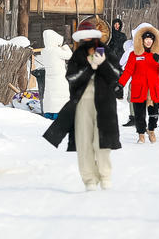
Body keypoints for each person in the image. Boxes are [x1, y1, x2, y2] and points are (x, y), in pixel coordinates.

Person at [42, 18, 123, 190]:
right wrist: (89, 67)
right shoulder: (78, 55)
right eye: (84, 38)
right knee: (84, 141)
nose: (88, 41)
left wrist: (103, 64)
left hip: (104, 103)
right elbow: (71, 78)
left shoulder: (106, 52)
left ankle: (105, 175)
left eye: (90, 38)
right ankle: (89, 179)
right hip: (82, 103)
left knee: (103, 141)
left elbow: (116, 75)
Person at [119, 24, 159, 144]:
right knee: (139, 114)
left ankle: (151, 130)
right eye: (146, 39)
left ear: (154, 41)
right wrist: (120, 84)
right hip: (139, 88)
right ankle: (141, 134)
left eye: (151, 39)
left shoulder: (157, 54)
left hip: (153, 89)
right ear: (142, 40)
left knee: (154, 113)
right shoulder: (134, 55)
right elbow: (128, 71)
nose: (148, 41)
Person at [39, 29, 73, 119]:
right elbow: (70, 55)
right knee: (60, 96)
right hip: (59, 78)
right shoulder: (56, 51)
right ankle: (58, 115)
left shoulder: (44, 51)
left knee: (50, 96)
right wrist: (65, 46)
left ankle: (48, 114)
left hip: (49, 77)